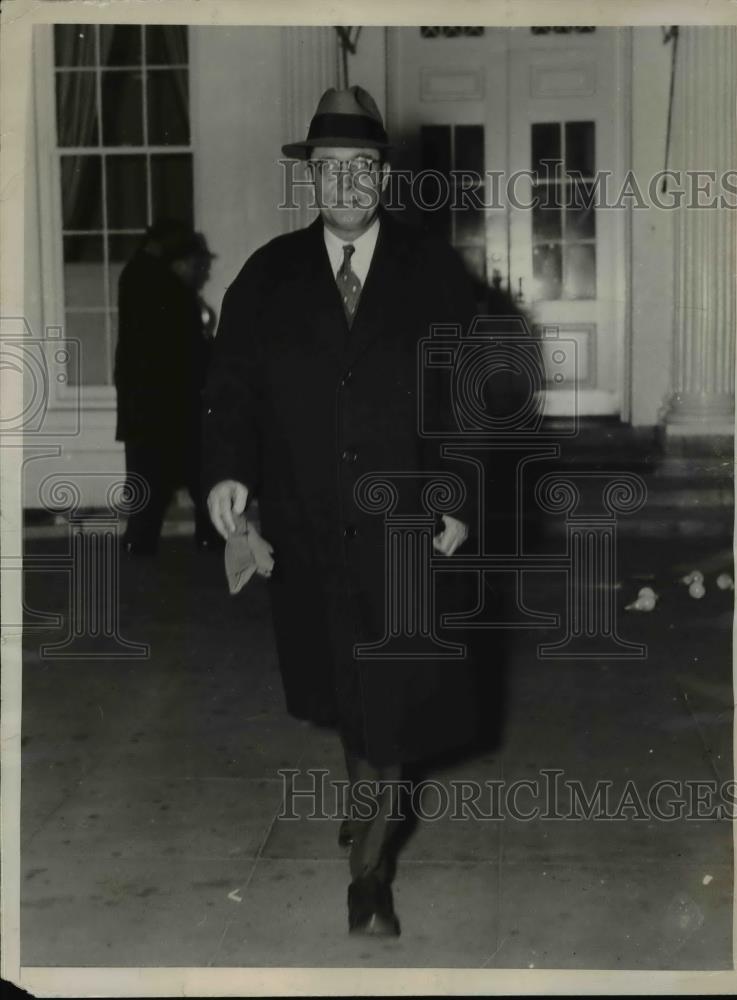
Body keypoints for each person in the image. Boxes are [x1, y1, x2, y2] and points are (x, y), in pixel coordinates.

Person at [203, 86, 482, 935]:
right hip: (308, 525)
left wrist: (458, 493)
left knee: (387, 698)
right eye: (331, 169)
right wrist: (227, 474)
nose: (348, 184)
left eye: (363, 167)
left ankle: (370, 877)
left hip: (405, 526)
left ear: (384, 177)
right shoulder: (267, 276)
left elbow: (470, 394)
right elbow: (231, 390)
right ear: (311, 179)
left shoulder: (431, 272)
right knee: (344, 686)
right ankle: (368, 804)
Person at [115, 221, 220, 554]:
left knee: (148, 475)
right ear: (180, 261)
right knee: (196, 468)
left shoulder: (137, 275)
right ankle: (208, 534)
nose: (201, 273)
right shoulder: (171, 290)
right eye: (197, 265)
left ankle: (140, 540)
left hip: (145, 396)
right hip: (172, 398)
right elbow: (190, 350)